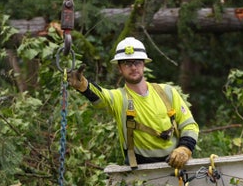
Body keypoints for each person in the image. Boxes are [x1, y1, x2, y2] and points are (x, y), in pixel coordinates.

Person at [67, 37, 199, 169]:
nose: (133, 67)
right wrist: (84, 86)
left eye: (137, 62)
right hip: (140, 173)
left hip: (176, 166)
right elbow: (101, 96)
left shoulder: (168, 92)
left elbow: (189, 125)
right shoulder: (119, 98)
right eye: (127, 63)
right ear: (119, 68)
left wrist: (184, 149)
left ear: (144, 64)